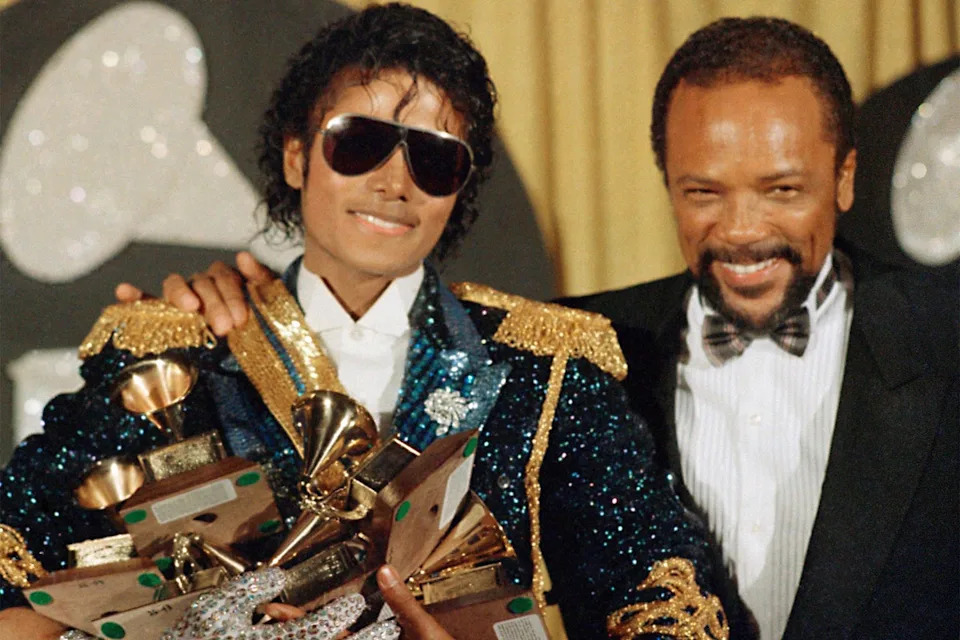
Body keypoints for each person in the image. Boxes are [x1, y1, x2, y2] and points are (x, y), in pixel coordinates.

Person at [169, 15, 959, 640]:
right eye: (703, 191)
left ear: (846, 178)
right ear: (298, 156)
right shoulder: (577, 344)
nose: (744, 228)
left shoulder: (548, 368)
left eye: (782, 189)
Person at [0, 4, 727, 639]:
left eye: (435, 160)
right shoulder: (173, 354)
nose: (394, 182)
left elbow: (662, 599)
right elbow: (12, 561)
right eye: (359, 143)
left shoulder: (550, 371)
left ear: (457, 193)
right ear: (296, 157)